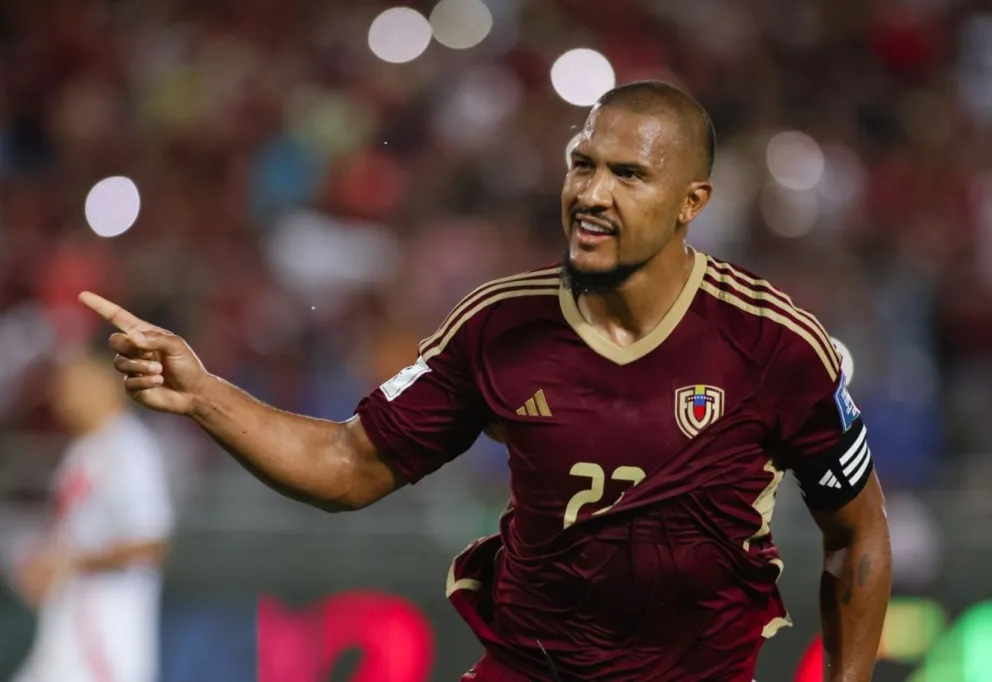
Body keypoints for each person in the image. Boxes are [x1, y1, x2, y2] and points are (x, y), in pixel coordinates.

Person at [79, 80, 891, 681]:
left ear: (692, 203)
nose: (592, 194)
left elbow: (857, 536)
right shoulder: (498, 327)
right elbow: (347, 468)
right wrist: (203, 392)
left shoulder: (773, 344)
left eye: (628, 176)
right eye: (583, 164)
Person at [12, 351, 174, 682]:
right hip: (67, 629)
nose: (61, 397)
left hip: (105, 641)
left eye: (71, 386)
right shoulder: (84, 449)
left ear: (103, 386)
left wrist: (70, 562)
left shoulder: (130, 451)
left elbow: (149, 546)